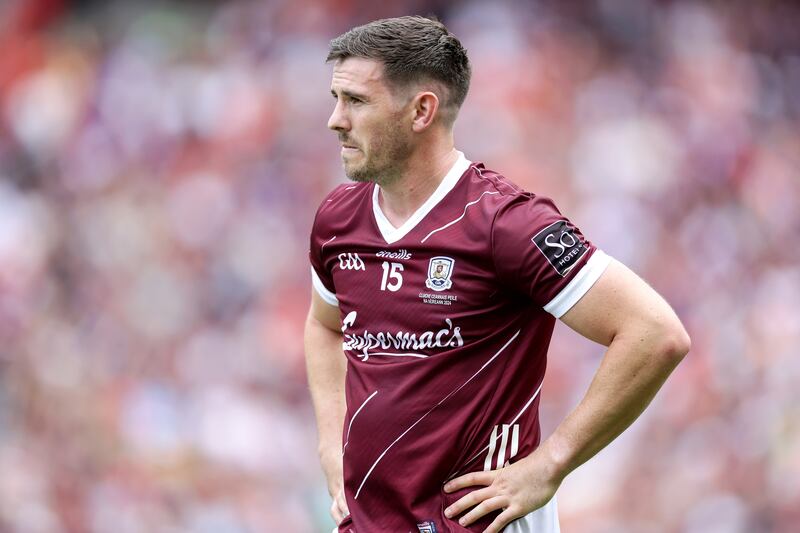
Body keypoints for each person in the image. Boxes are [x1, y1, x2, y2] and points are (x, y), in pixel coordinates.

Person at [304, 15, 690, 533]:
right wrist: (333, 447)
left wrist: (550, 465)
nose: (335, 119)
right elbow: (324, 326)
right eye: (336, 98)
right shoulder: (338, 218)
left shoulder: (506, 224)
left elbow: (655, 333)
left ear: (421, 110)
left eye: (356, 101)